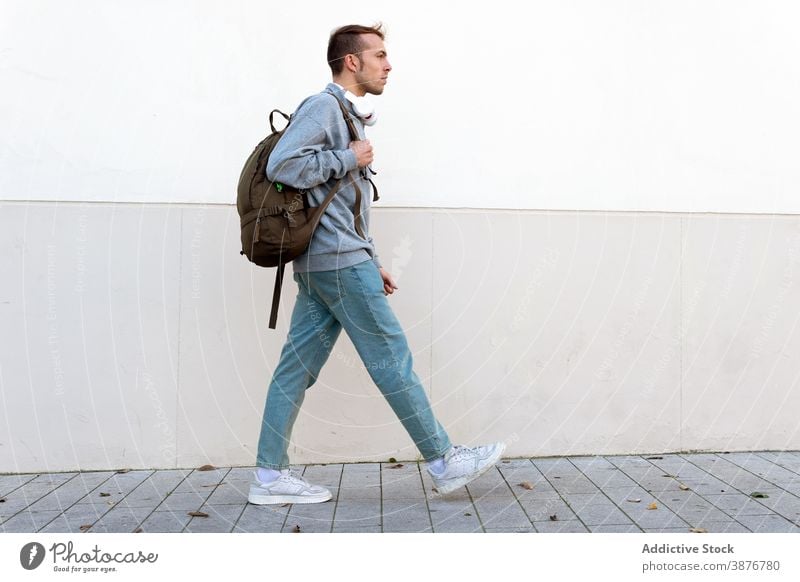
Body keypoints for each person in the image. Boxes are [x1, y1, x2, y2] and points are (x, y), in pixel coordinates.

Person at [249, 23, 504, 505]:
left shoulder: (347, 115)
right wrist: (347, 157)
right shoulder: (324, 106)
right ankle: (444, 460)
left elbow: (345, 205)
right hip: (338, 265)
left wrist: (373, 257)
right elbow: (283, 165)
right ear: (352, 61)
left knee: (294, 370)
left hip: (331, 264)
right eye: (380, 55)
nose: (388, 65)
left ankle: (267, 476)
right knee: (392, 358)